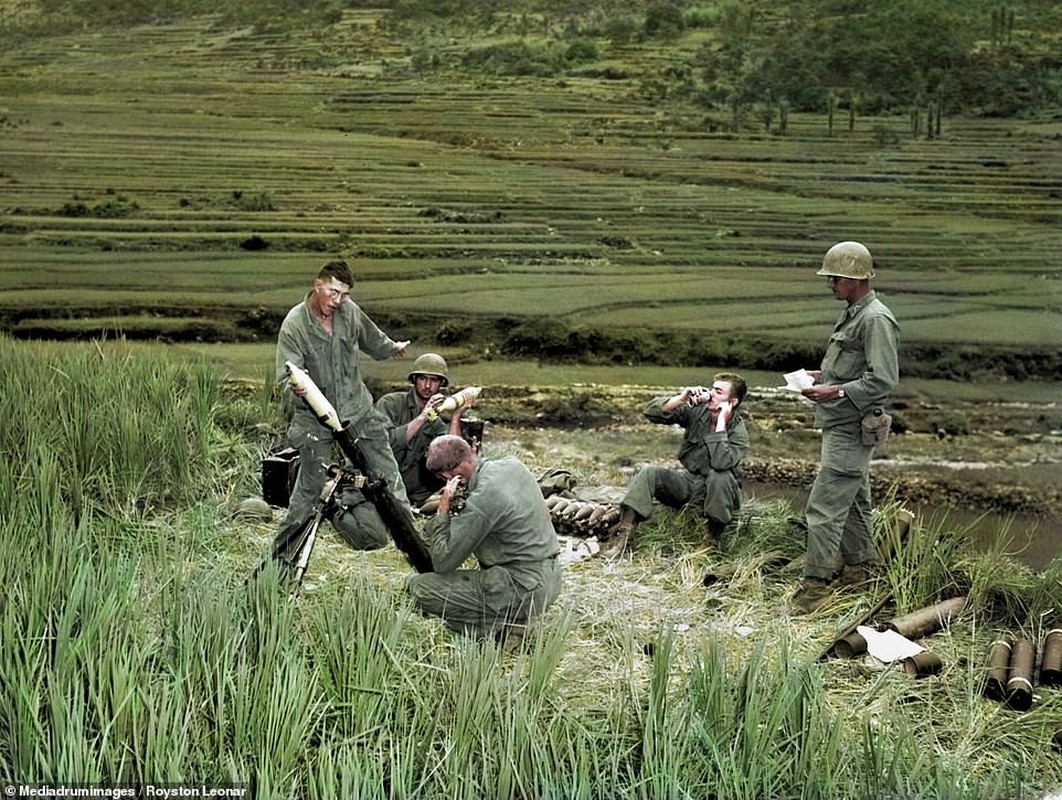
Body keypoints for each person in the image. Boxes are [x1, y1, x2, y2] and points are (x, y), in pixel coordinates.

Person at [271, 259, 412, 563]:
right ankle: (281, 556)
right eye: (333, 292)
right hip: (314, 419)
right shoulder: (294, 325)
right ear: (317, 284)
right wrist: (294, 390)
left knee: (386, 470)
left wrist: (392, 348)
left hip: (357, 408)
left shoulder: (349, 313)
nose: (338, 301)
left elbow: (373, 340)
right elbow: (284, 377)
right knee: (308, 490)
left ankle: (409, 538)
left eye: (344, 294)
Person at [791, 241, 899, 614]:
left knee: (823, 509)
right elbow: (857, 369)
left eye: (835, 278)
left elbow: (883, 379)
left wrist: (834, 389)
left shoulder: (874, 319)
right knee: (854, 502)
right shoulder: (856, 313)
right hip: (842, 424)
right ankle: (860, 572)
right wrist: (826, 376)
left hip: (851, 428)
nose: (830, 284)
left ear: (855, 279)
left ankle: (814, 591)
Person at [406, 435, 562, 644]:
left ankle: (499, 628)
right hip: (550, 579)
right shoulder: (512, 464)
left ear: (446, 476)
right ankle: (508, 620)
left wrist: (442, 512)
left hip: (523, 589)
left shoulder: (482, 501)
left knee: (418, 587)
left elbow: (442, 562)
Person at [605, 373, 750, 558]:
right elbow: (652, 411)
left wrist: (720, 422)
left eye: (718, 391)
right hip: (690, 484)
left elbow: (721, 463)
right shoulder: (699, 411)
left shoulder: (739, 432)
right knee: (650, 472)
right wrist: (682, 399)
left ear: (733, 402)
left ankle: (712, 541)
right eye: (712, 388)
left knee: (718, 475)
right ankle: (624, 536)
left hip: (719, 493)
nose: (711, 393)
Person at [375, 352, 476, 508]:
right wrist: (422, 417)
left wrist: (456, 416)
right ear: (414, 380)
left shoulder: (435, 421)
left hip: (412, 493)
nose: (428, 386)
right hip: (379, 483)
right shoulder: (390, 404)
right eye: (423, 378)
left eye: (434, 380)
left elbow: (452, 455)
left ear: (440, 384)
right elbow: (382, 444)